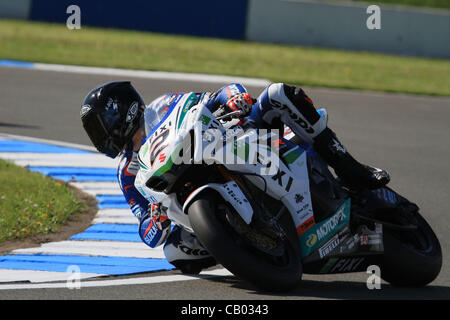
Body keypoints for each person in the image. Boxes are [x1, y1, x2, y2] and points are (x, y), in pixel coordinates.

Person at [80, 81, 390, 273]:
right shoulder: (125, 172)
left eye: (98, 126)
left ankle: (350, 166)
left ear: (120, 112)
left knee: (278, 94)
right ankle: (243, 247)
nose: (98, 137)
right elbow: (145, 228)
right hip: (188, 196)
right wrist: (154, 219)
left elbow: (216, 95)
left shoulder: (162, 106)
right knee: (173, 250)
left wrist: (234, 99)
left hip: (234, 145)